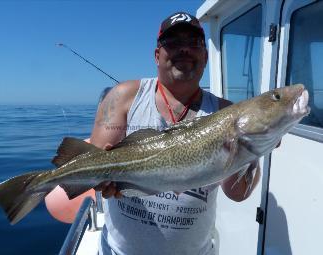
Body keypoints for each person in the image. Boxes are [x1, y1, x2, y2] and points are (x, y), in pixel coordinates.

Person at [45, 12, 260, 255]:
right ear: (157, 55)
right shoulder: (123, 96)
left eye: (193, 43)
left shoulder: (225, 113)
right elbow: (95, 166)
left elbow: (238, 193)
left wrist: (253, 150)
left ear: (205, 55)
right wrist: (102, 180)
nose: (184, 50)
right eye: (173, 43)